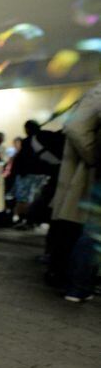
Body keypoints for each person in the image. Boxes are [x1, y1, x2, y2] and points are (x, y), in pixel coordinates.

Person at [47, 83, 101, 299]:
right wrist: (93, 157)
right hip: (86, 174)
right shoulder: (98, 92)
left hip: (88, 174)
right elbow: (76, 128)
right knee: (85, 231)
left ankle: (75, 283)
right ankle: (76, 285)